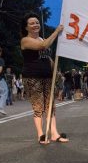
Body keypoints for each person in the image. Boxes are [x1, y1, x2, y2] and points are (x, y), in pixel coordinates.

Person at [20, 13, 68, 144]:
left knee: (50, 106)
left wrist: (56, 72)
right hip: (32, 77)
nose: (36, 25)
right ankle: (41, 134)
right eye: (32, 23)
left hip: (47, 76)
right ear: (26, 27)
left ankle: (54, 133)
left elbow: (47, 57)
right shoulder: (25, 40)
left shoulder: (42, 39)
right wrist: (56, 31)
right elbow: (43, 47)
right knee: (38, 106)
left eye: (37, 22)